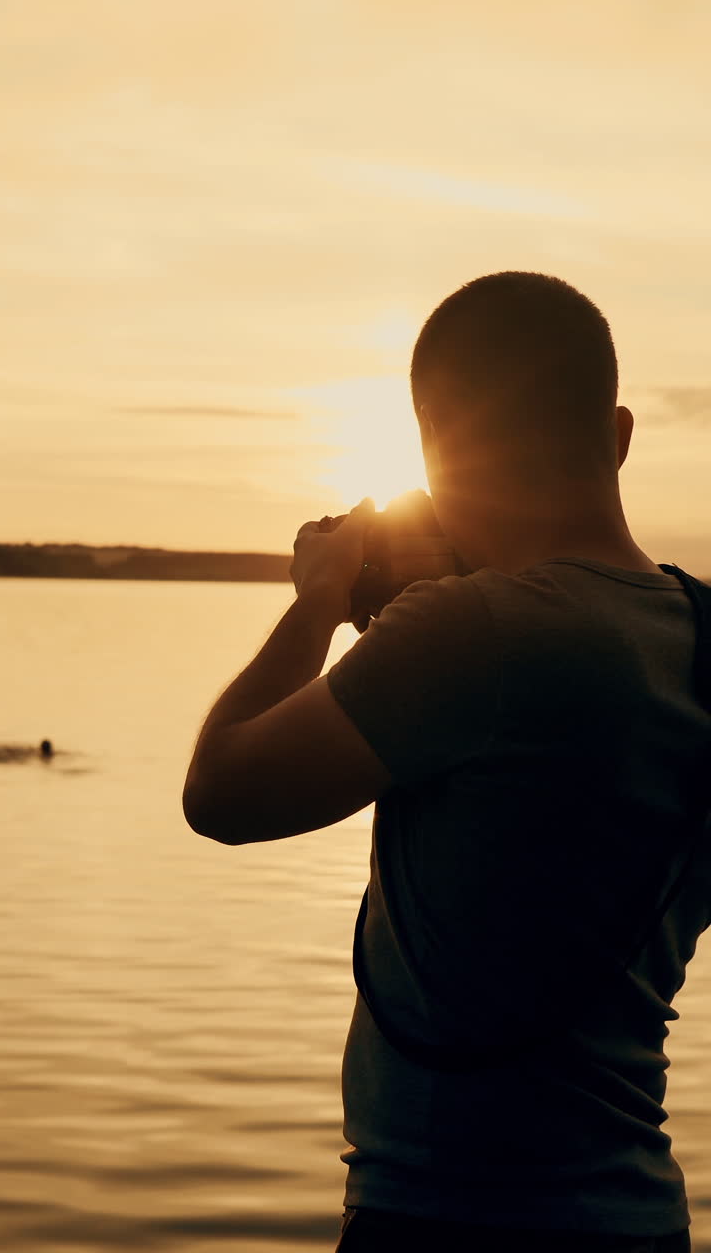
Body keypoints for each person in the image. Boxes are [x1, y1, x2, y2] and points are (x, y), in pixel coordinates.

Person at [183, 272, 711, 1252]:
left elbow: (221, 791)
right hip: (637, 1216)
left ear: (436, 447)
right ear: (622, 432)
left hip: (449, 1217)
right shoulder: (700, 639)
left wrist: (317, 601)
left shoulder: (475, 631)